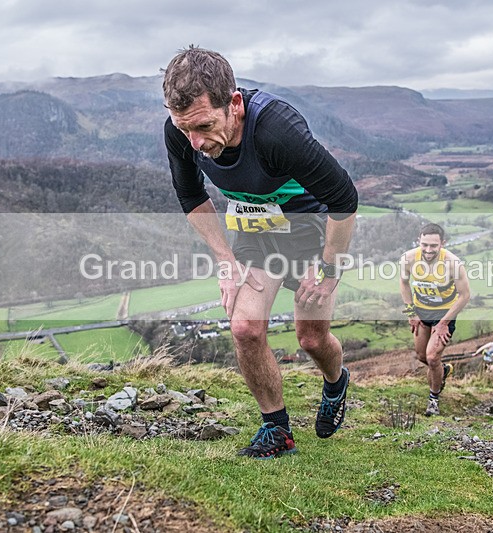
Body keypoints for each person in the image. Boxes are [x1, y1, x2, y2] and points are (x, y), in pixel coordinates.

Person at [163, 46, 358, 459]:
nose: (195, 143)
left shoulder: (275, 130)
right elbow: (190, 195)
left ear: (234, 104)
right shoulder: (180, 131)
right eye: (185, 130)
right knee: (245, 329)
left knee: (311, 338)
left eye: (203, 126)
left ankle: (336, 381)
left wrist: (328, 269)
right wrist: (224, 259)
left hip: (311, 230)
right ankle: (277, 430)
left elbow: (344, 198)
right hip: (256, 232)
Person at [400, 223, 471, 417]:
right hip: (422, 312)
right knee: (423, 357)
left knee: (432, 358)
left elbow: (464, 296)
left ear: (443, 244)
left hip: (445, 314)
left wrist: (444, 322)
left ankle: (433, 399)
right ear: (418, 241)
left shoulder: (452, 263)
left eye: (433, 246)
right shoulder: (408, 259)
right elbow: (404, 284)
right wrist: (411, 312)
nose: (428, 250)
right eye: (424, 245)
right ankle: (443, 370)